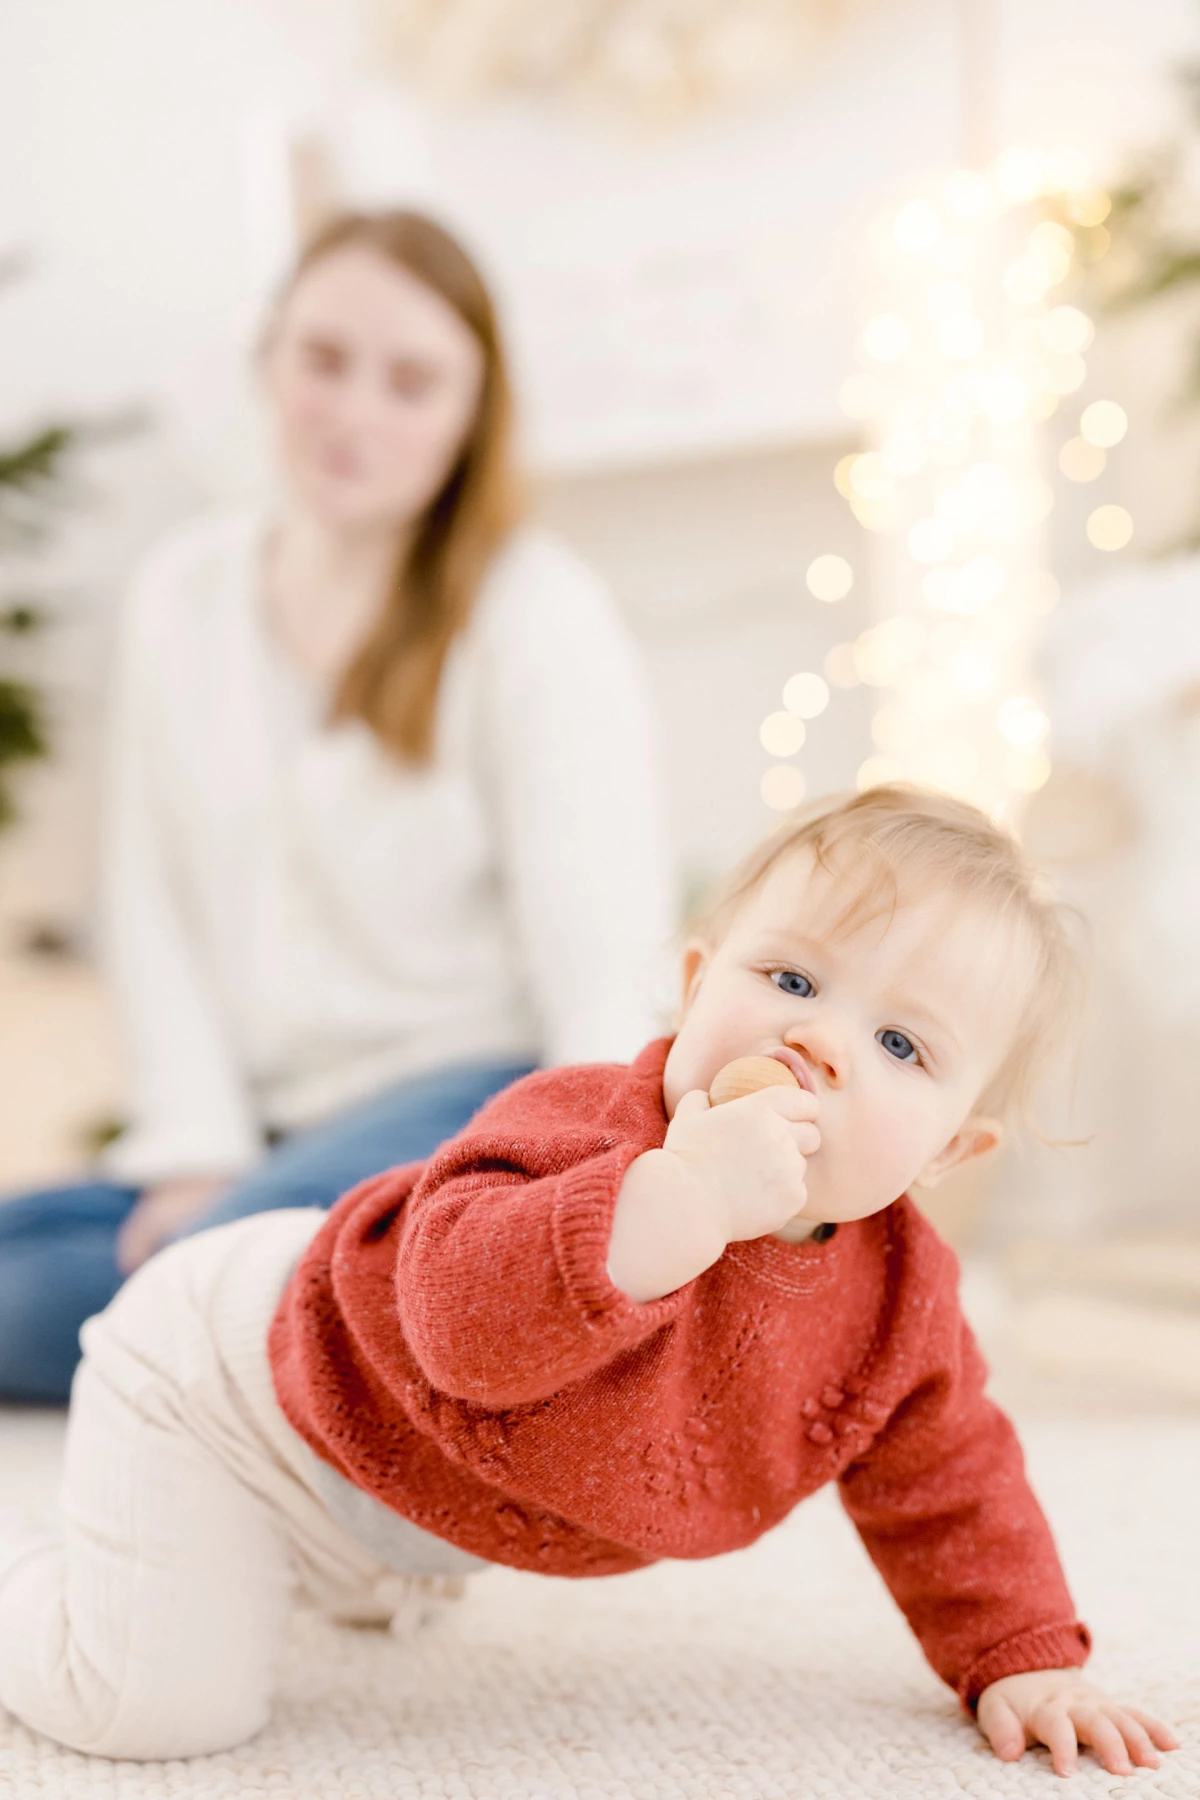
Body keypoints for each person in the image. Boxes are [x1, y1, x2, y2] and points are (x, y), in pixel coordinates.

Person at [0, 784, 1180, 1775]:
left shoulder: (897, 1301)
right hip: (234, 1385)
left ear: (948, 1152)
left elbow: (951, 1473)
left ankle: (308, 1566)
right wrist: (670, 1211)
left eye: (903, 1046)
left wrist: (1025, 1652)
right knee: (156, 1711)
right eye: (795, 982)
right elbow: (458, 1330)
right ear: (697, 981)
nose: (819, 1043)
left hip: (394, 1493)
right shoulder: (584, 1128)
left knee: (305, 1600)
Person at [0, 210, 673, 1404]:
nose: (356, 411)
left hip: (473, 1106)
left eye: (412, 382)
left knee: (104, 1310)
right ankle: (222, 1246)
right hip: (273, 1123)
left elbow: (600, 956)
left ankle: (224, 1274)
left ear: (471, 416)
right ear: (268, 362)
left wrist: (567, 1219)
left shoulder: (534, 614)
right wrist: (199, 1151)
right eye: (325, 359)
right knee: (53, 1253)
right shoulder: (181, 595)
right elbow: (145, 896)